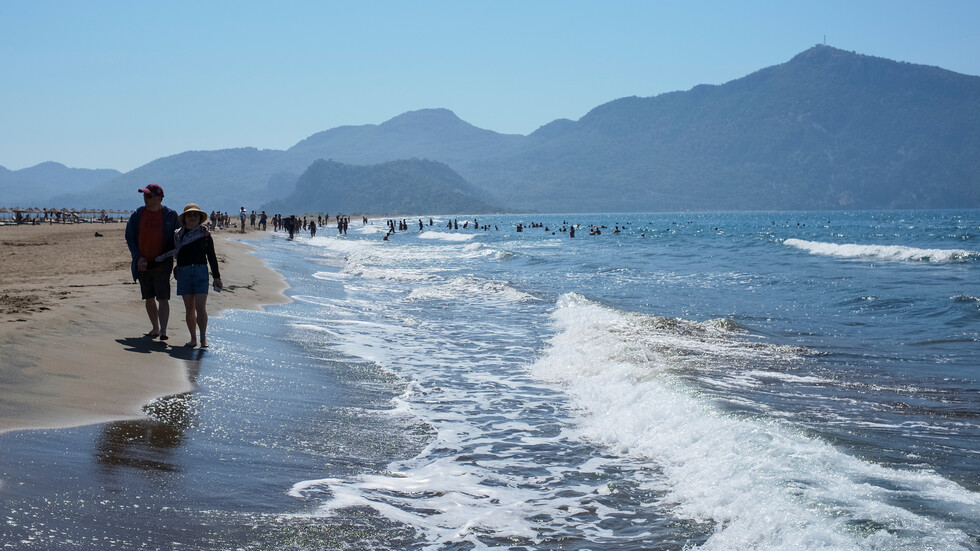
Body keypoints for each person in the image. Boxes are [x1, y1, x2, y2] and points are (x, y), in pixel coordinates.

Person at [125, 184, 179, 341]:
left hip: (162, 263)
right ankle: (155, 327)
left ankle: (163, 331)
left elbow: (178, 239)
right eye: (144, 195)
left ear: (159, 198)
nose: (145, 198)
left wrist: (177, 261)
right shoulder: (138, 214)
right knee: (148, 297)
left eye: (149, 196)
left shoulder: (170, 215)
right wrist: (137, 257)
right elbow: (130, 237)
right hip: (143, 263)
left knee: (163, 298)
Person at [167, 204, 223, 348]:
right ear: (184, 218)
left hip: (200, 271)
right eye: (189, 215)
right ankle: (193, 339)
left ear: (199, 218)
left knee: (200, 307)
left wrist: (217, 276)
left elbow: (211, 256)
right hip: (184, 272)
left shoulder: (205, 234)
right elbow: (176, 254)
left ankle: (203, 338)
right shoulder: (178, 234)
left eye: (195, 215)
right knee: (189, 308)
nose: (192, 217)